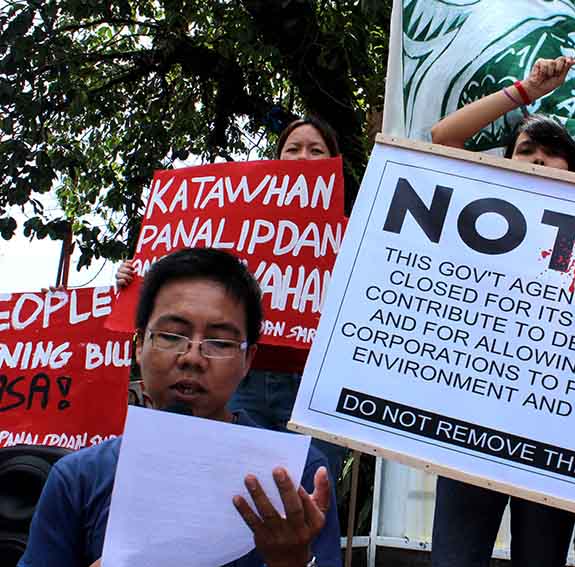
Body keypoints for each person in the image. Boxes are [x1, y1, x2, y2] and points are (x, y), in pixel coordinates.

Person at [429, 56, 575, 567]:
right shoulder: (481, 208)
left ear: (573, 167)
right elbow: (443, 139)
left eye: (552, 152)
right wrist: (526, 90)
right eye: (526, 150)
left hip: (554, 435)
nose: (538, 160)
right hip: (472, 422)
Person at [19, 248, 342, 567]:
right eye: (172, 335)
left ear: (248, 360)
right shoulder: (79, 477)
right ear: (139, 345)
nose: (192, 357)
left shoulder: (298, 474)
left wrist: (293, 561)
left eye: (219, 342)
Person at [116, 115, 348, 482]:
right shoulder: (232, 222)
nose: (303, 157)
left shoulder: (351, 235)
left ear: (333, 162)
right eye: (293, 149)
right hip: (242, 379)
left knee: (309, 491)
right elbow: (186, 274)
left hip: (312, 388)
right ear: (277, 160)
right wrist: (134, 279)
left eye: (315, 150)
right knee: (218, 483)